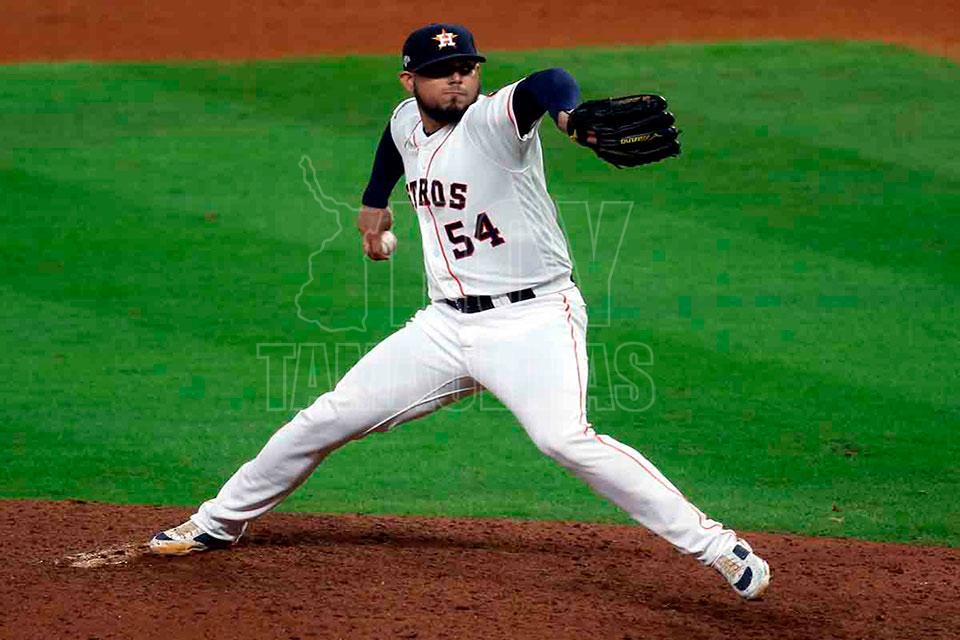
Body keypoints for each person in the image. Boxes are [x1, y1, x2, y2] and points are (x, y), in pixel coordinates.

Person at [149, 22, 770, 600]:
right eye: (440, 71)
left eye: (466, 68)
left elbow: (546, 81)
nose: (456, 79)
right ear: (409, 81)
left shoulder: (496, 121)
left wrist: (567, 113)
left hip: (532, 320)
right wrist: (374, 202)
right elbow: (395, 141)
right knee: (327, 417)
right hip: (444, 327)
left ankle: (718, 547)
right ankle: (217, 522)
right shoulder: (406, 120)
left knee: (564, 439)